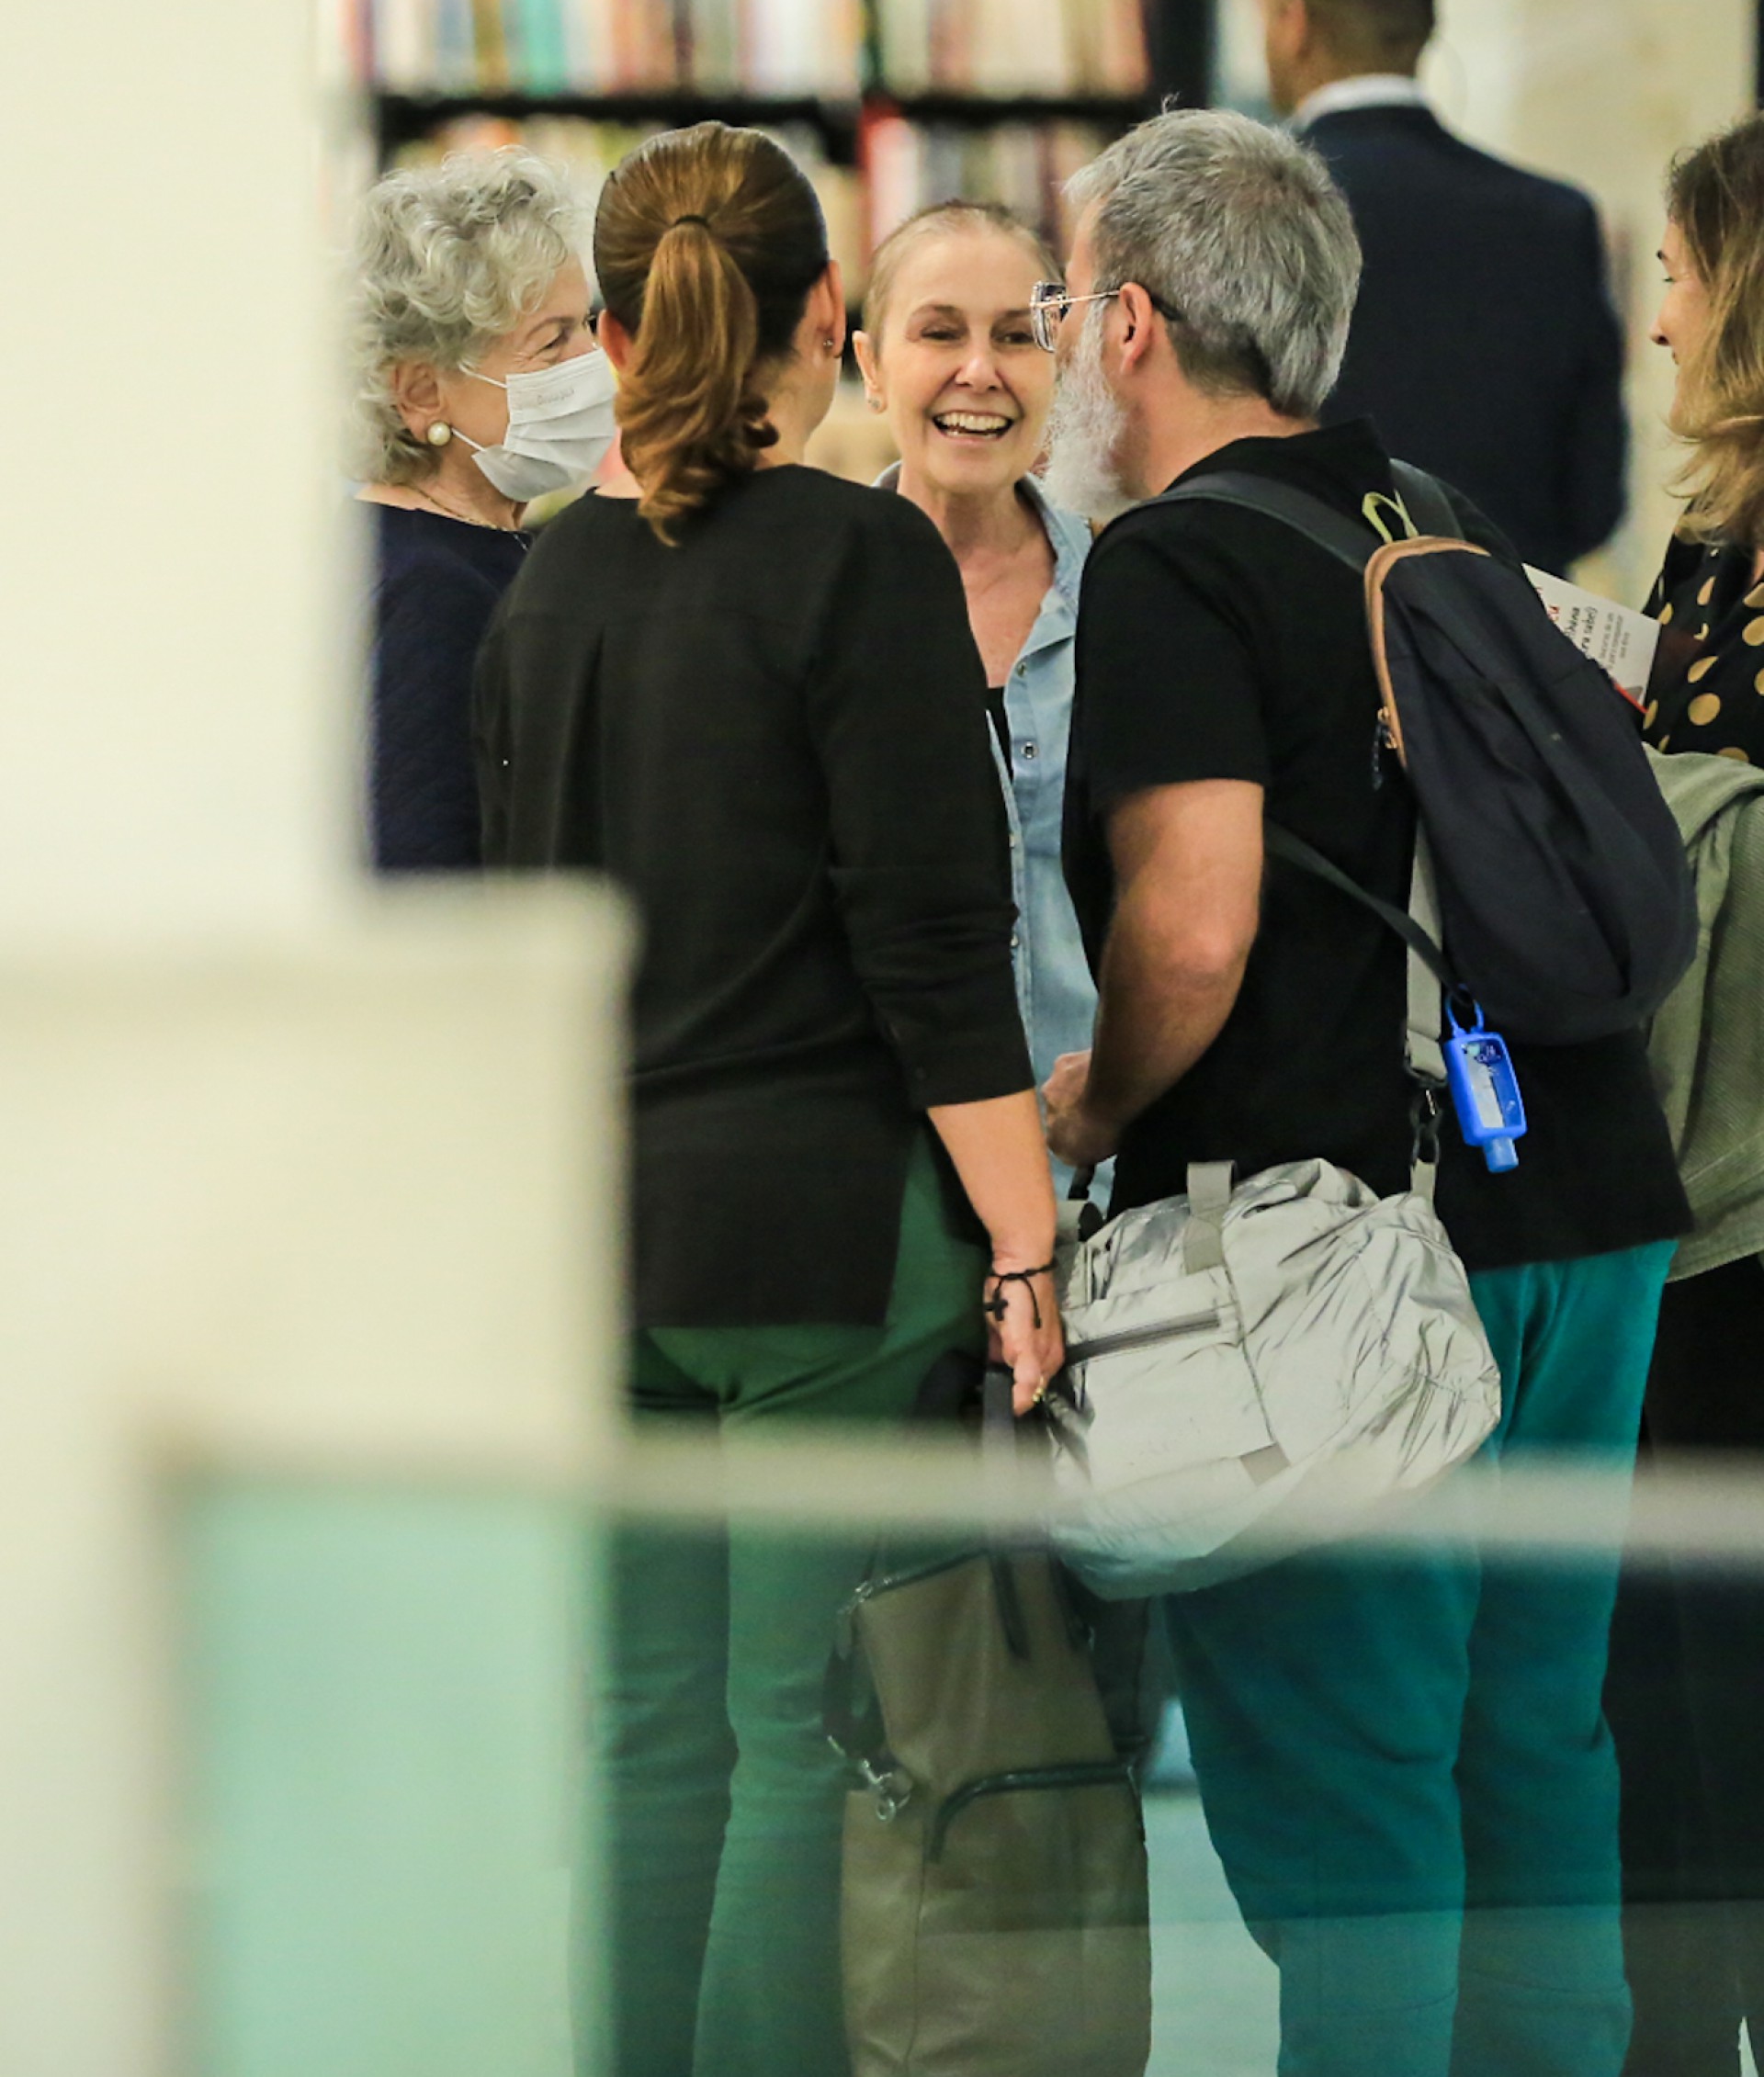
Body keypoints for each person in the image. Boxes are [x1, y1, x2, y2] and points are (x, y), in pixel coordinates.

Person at [1037, 105, 1688, 2077]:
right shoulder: (1431, 511)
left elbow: (1195, 927)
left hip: (1348, 1247)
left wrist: (1088, 1107)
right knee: (1534, 1746)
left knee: (1359, 1802)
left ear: (1135, 325)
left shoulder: (1173, 564)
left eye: (1070, 304)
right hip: (1581, 1200)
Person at [471, 122, 1063, 2077]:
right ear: (830, 315)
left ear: (617, 330)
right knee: (794, 1739)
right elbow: (929, 943)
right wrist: (1026, 1233)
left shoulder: (547, 585)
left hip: (596, 1234)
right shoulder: (858, 554)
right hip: (816, 1235)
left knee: (642, 1735)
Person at [1611, 113, 1764, 2073]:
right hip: (1690, 1177)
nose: (1655, 323)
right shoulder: (1712, 541)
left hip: (1739, 1182)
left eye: (1673, 271)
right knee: (1665, 1675)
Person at [854, 201, 1102, 1197]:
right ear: (871, 368)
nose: (980, 371)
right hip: (895, 1203)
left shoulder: (1142, 603)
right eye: (939, 332)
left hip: (1121, 1196)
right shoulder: (803, 618)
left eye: (1017, 336)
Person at [1263, 0, 1628, 575]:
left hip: (1301, 649)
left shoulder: (1247, 216)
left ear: (1292, 21)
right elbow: (1592, 504)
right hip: (1510, 654)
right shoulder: (1555, 221)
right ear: (1428, 27)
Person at [353, 146, 616, 868]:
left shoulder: (435, 548)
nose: (593, 359)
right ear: (421, 394)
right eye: (551, 339)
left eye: (585, 323)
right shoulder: (433, 593)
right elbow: (428, 877)